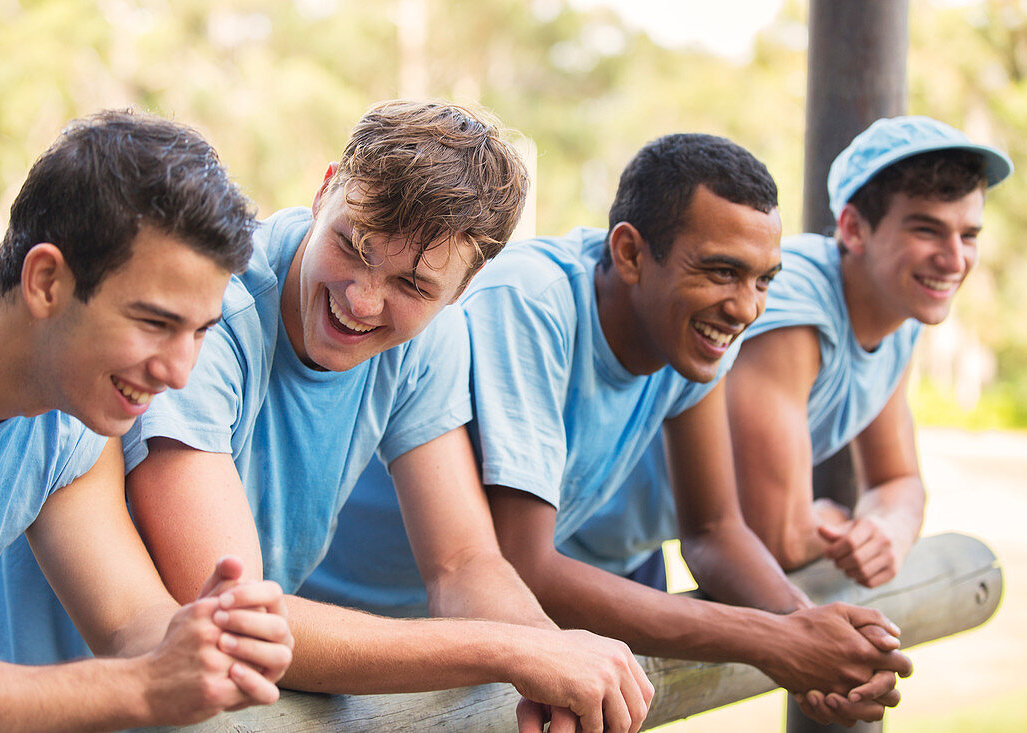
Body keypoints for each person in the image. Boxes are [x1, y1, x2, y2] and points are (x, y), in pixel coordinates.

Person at [63, 100, 649, 733]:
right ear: (325, 190)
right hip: (57, 680)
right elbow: (231, 616)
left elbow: (462, 564)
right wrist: (515, 649)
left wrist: (552, 657)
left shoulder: (431, 339)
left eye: (414, 287)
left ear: (465, 285)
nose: (362, 299)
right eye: (353, 246)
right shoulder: (207, 318)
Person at [306, 133, 914, 726]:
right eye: (721, 271)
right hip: (334, 616)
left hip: (458, 623)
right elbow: (527, 562)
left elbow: (713, 531)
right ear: (629, 254)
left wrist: (811, 633)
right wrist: (774, 642)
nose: (746, 307)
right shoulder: (532, 301)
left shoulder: (695, 338)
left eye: (763, 280)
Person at [0, 109, 294, 732]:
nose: (180, 373)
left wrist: (205, 640)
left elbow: (128, 622)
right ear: (46, 281)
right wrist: (138, 688)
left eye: (199, 332)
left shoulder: (73, 423)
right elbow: (134, 676)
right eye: (155, 323)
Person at [726, 116, 1012, 589]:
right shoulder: (794, 307)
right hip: (578, 531)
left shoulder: (897, 314)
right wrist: (838, 524)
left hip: (632, 543)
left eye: (969, 235)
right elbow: (775, 537)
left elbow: (898, 480)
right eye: (927, 230)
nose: (955, 259)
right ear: (854, 229)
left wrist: (887, 530)